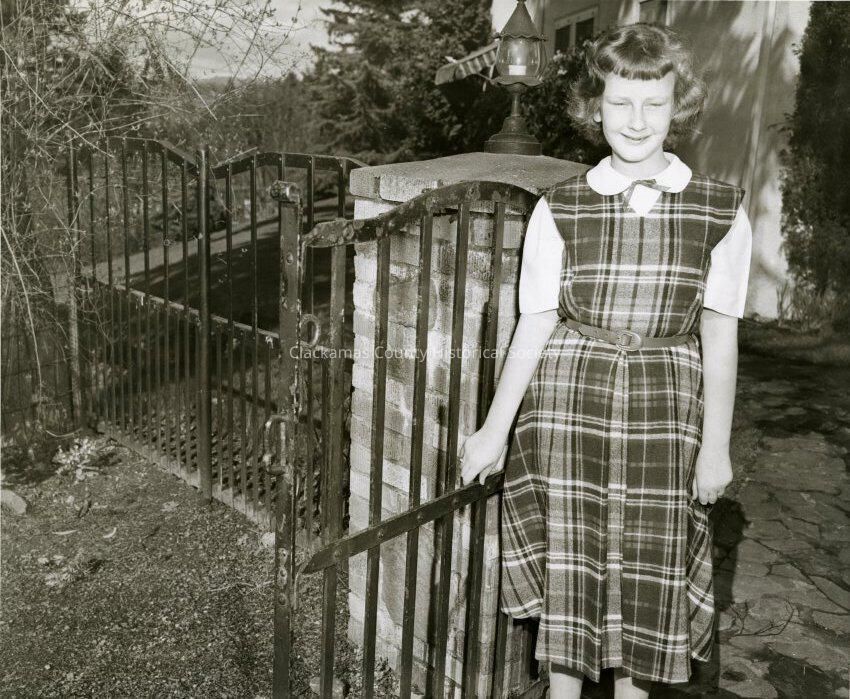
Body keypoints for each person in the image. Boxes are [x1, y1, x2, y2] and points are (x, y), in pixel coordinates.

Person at [459, 23, 752, 698]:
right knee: (573, 572)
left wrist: (715, 448)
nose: (637, 120)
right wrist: (495, 430)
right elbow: (536, 322)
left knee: (648, 580)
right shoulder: (560, 208)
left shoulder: (718, 210)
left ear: (679, 106)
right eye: (620, 102)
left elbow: (719, 333)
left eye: (654, 103)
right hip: (569, 414)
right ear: (594, 106)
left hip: (664, 414)